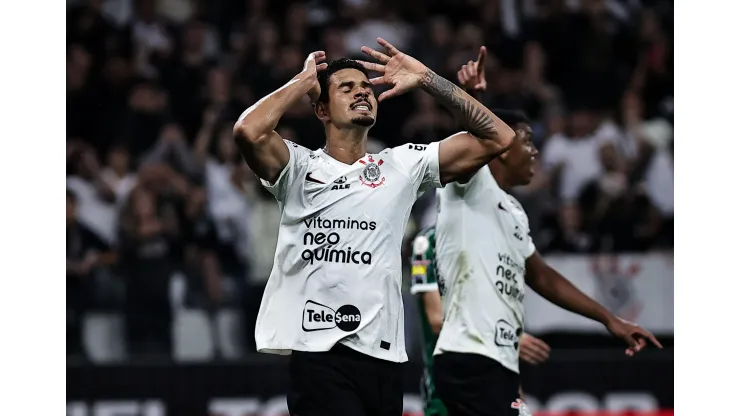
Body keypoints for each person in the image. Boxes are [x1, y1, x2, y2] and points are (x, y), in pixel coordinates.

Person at [232, 37, 517, 416]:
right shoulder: (298, 168)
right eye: (346, 88)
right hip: (320, 356)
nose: (361, 92)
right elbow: (248, 131)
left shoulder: (401, 166)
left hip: (384, 357)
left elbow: (501, 138)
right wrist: (302, 82)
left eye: (366, 86)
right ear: (321, 110)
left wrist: (428, 78)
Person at [430, 47, 663, 416]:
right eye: (526, 140)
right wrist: (474, 97)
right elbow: (472, 137)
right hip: (469, 356)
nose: (536, 151)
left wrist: (609, 319)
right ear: (502, 150)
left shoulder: (514, 211)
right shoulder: (469, 184)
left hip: (498, 359)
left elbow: (541, 275)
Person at [410, 225, 551, 416]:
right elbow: (437, 320)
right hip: (448, 389)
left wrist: (517, 394)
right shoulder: (428, 243)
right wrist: (500, 335)